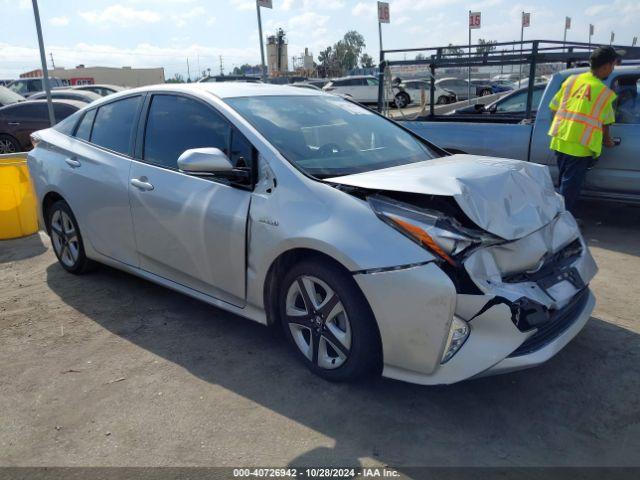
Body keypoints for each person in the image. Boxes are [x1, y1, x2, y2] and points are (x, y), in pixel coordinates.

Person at [548, 46, 622, 215]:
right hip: (579, 147)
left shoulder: (572, 80)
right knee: (570, 188)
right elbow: (605, 126)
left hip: (560, 141)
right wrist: (609, 142)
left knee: (564, 184)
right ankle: (563, 221)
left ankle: (560, 216)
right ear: (605, 66)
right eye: (613, 65)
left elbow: (553, 108)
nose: (612, 69)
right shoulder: (603, 93)